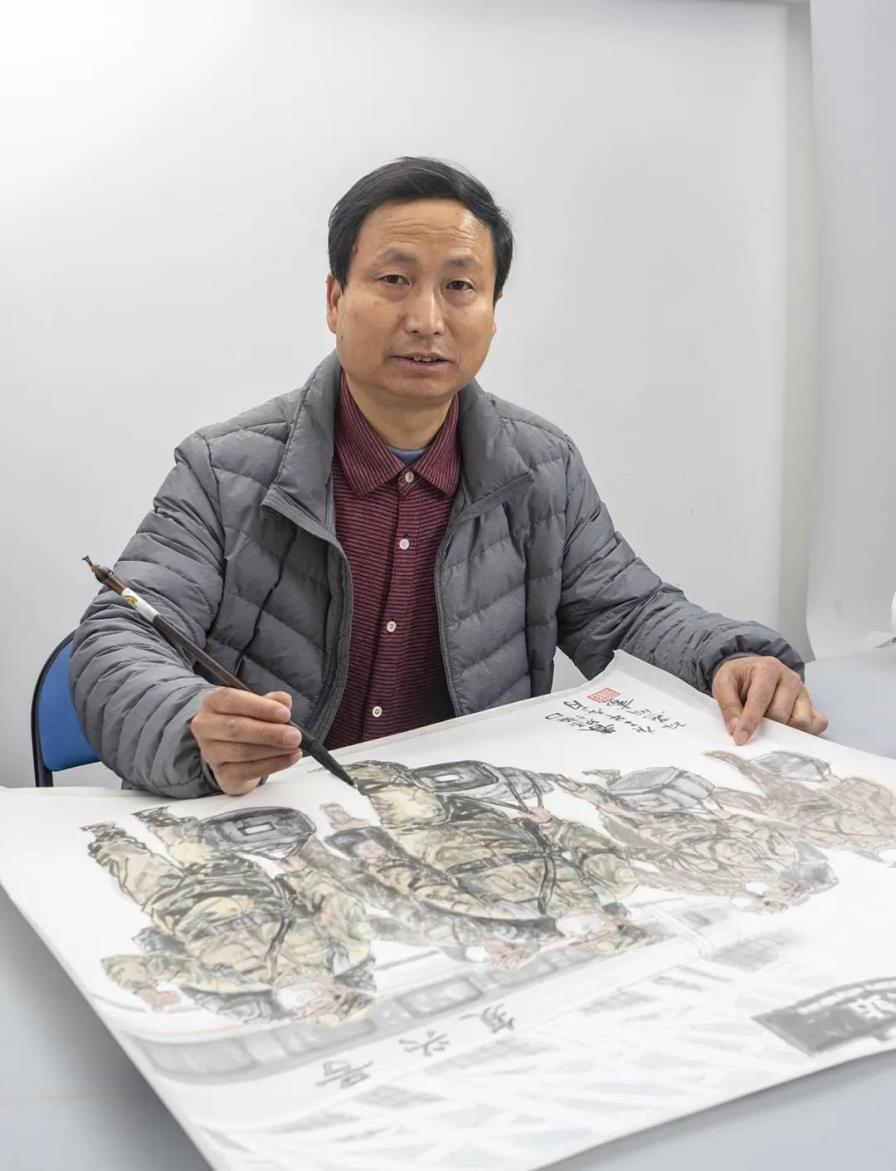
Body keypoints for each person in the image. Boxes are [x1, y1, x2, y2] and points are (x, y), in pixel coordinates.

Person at [71, 156, 827, 799]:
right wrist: (191, 722)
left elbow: (627, 614)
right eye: (394, 279)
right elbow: (117, 639)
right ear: (335, 300)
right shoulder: (223, 470)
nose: (427, 318)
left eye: (460, 287)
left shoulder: (542, 470)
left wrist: (729, 656)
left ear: (493, 310)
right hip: (280, 818)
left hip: (468, 823)